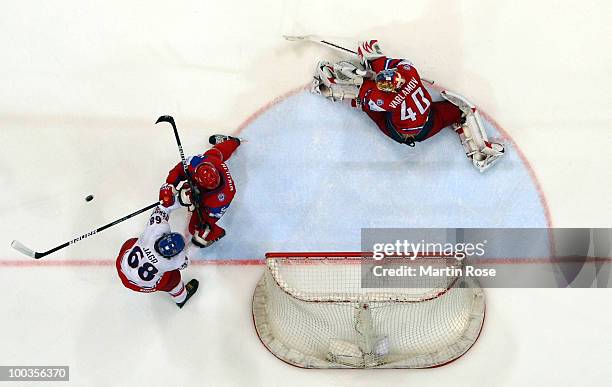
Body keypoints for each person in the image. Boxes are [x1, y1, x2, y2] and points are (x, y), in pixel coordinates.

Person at [312, 40, 504, 171]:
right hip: (430, 122)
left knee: (363, 102)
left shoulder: (385, 100)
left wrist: (351, 73)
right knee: (461, 111)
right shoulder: (409, 72)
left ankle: (326, 89)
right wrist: (372, 59)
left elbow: (367, 91)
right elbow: (380, 60)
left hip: (396, 131)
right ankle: (482, 152)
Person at [159, 135, 241, 248]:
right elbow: (178, 170)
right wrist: (169, 185)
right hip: (212, 161)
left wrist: (205, 227)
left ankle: (217, 233)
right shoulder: (199, 161)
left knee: (194, 228)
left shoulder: (223, 197)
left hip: (210, 201)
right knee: (217, 151)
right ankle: (233, 141)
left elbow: (211, 217)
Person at [115, 200, 199, 309]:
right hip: (145, 285)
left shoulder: (154, 231)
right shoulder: (173, 262)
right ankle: (181, 298)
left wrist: (179, 199)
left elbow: (162, 208)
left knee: (132, 243)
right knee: (173, 279)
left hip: (122, 268)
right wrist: (199, 241)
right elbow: (185, 263)